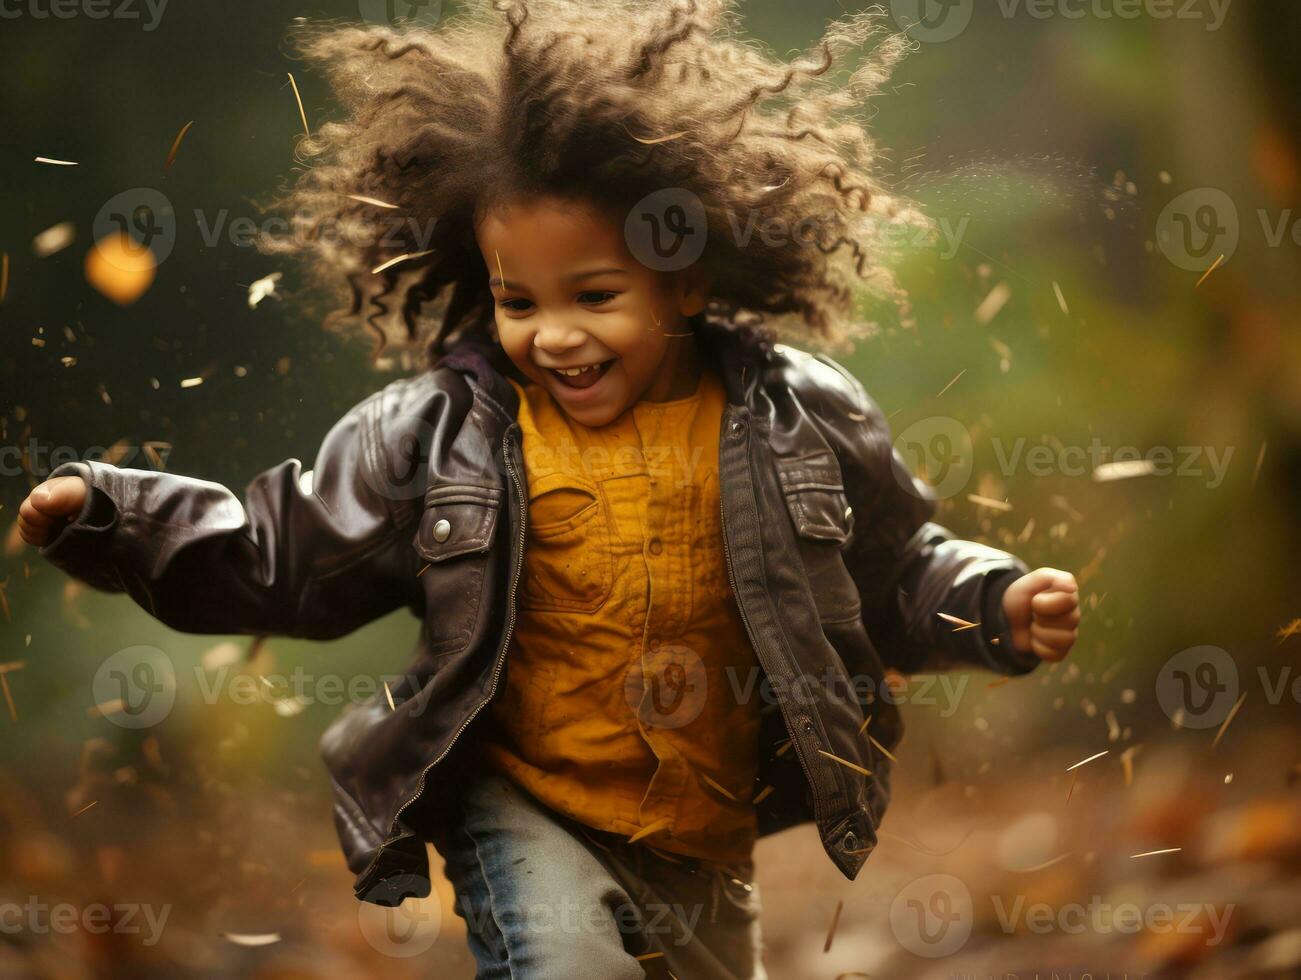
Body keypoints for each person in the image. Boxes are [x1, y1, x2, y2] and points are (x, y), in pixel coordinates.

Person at [18, 3, 1081, 976]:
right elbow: (278, 549)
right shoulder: (443, 435)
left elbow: (891, 567)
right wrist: (115, 517)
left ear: (689, 276)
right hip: (525, 803)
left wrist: (990, 602)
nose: (553, 333)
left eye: (594, 294)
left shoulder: (793, 415)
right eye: (516, 298)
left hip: (703, 832)